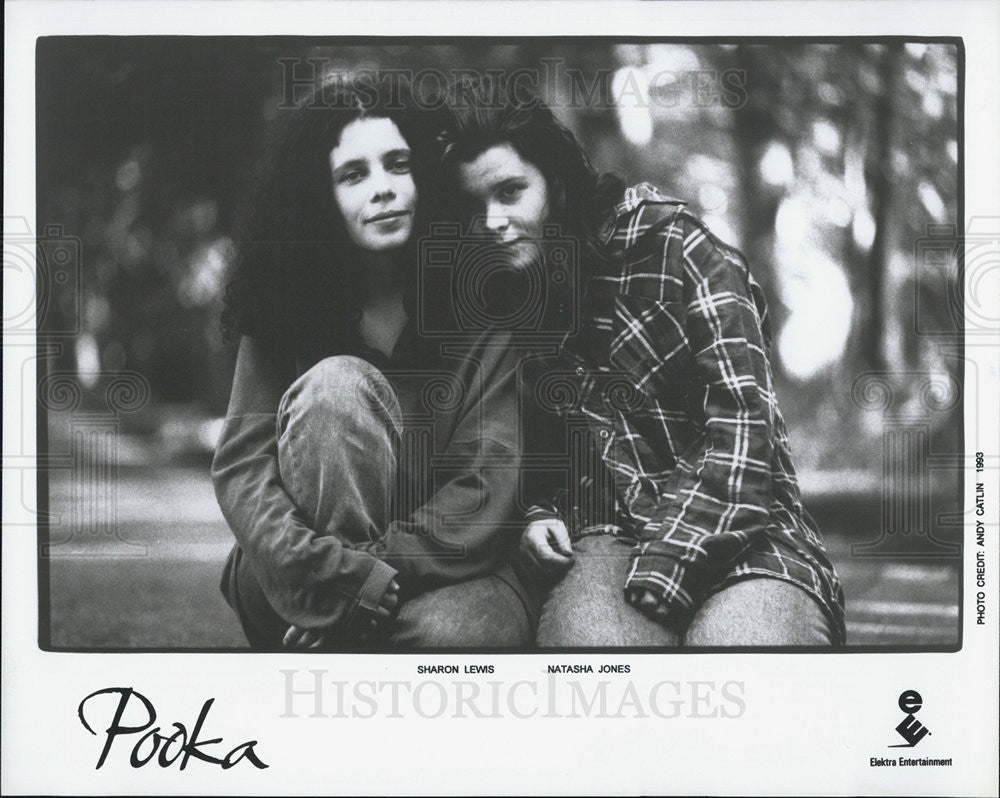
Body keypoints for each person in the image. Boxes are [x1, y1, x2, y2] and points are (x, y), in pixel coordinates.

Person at [438, 76, 846, 647]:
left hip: (744, 530)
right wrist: (533, 515)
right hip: (605, 538)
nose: (492, 222)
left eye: (510, 192)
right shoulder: (502, 301)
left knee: (747, 660)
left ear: (555, 183)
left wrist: (672, 563)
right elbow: (520, 450)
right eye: (473, 204)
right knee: (599, 669)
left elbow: (745, 431)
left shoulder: (678, 249)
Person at [213, 75, 534, 650]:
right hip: (299, 571)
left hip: (441, 570)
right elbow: (243, 468)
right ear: (319, 195)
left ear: (426, 176)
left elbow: (485, 482)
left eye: (398, 164)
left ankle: (339, 637)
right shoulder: (281, 304)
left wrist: (369, 577)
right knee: (336, 386)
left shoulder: (482, 302)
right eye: (354, 175)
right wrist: (329, 574)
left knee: (468, 632)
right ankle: (344, 627)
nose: (382, 189)